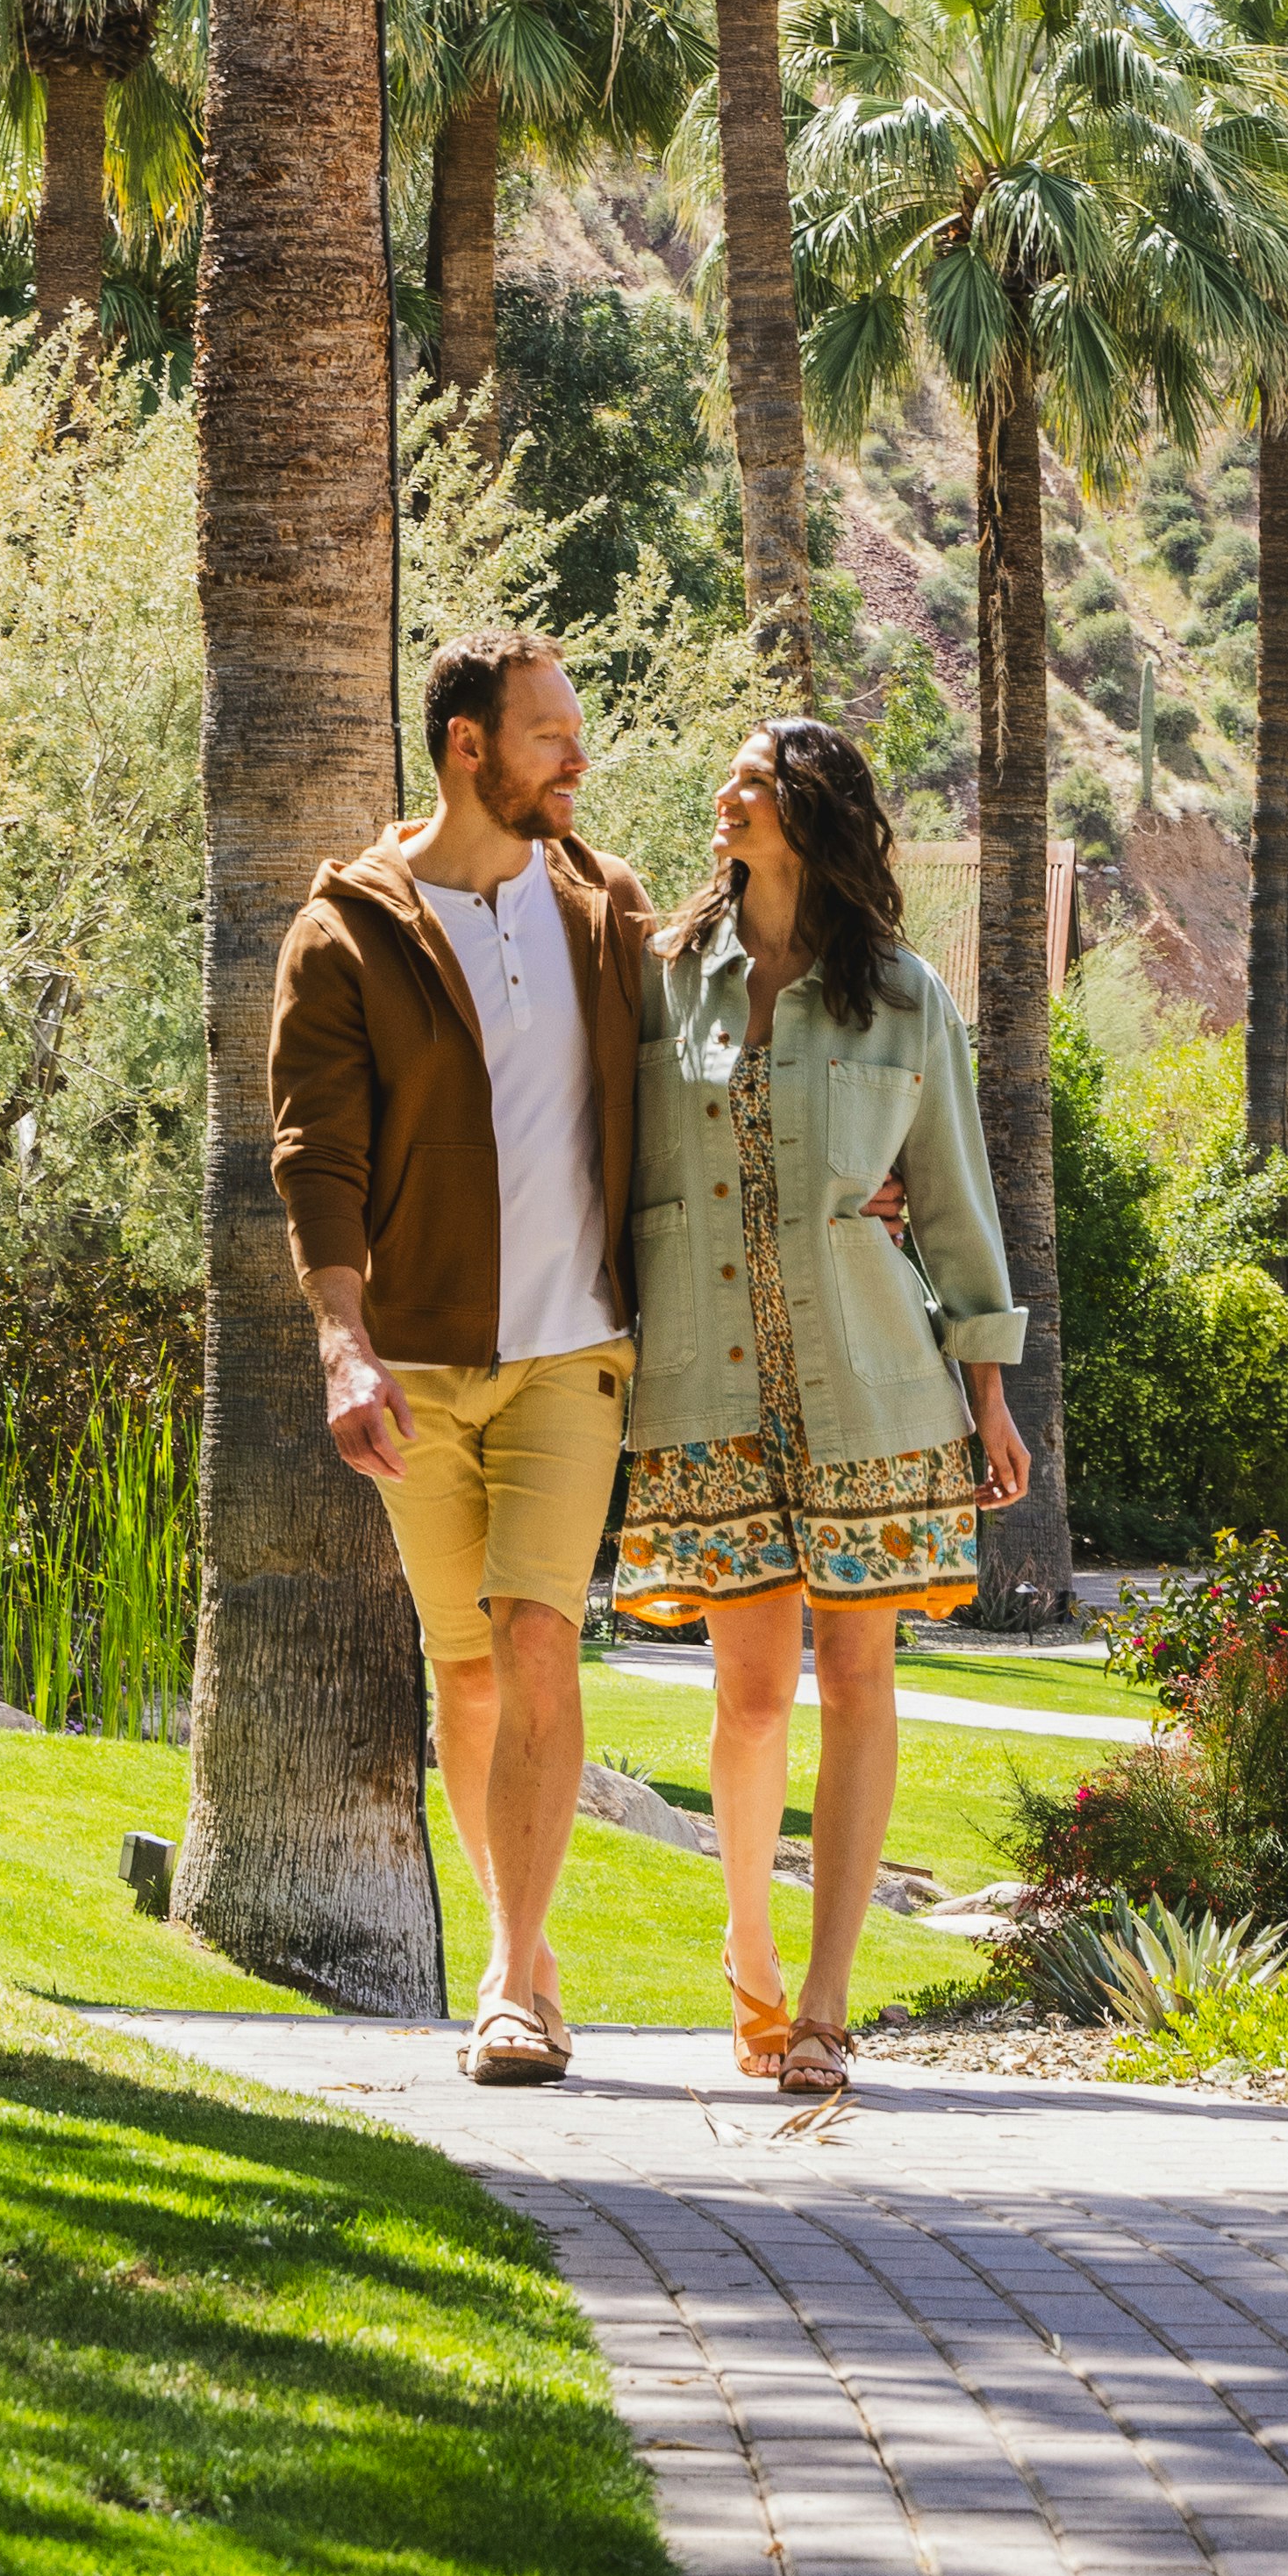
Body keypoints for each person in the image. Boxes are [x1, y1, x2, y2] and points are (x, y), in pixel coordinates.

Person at [603, 713, 1030, 2100]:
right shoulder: (667, 982)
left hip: (877, 1390)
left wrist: (992, 1394)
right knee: (741, 1692)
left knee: (858, 1680)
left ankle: (833, 2003)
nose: (725, 793)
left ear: (813, 812)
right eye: (727, 772)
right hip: (706, 1382)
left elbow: (956, 1202)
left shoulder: (906, 998)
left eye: (755, 779)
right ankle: (750, 1960)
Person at [268, 629, 657, 2086]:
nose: (575, 755)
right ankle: (532, 1945)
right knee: (469, 1665)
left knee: (540, 1628)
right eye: (548, 733)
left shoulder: (603, 909)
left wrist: (859, 1173)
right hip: (419, 1363)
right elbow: (318, 1153)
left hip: (575, 1351)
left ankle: (501, 1975)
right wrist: (341, 1346)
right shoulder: (348, 931)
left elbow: (726, 1051)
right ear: (467, 746)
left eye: (574, 729)